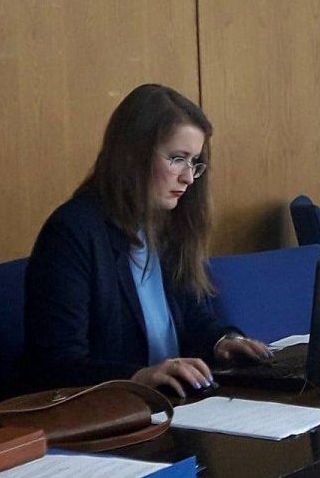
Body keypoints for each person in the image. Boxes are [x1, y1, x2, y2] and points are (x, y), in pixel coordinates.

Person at [21, 84, 270, 398]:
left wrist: (222, 342)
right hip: (115, 412)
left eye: (194, 162)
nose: (188, 177)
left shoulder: (167, 223)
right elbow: (54, 368)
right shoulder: (71, 233)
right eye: (177, 158)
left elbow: (191, 318)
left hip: (176, 403)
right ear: (131, 155)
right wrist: (138, 377)